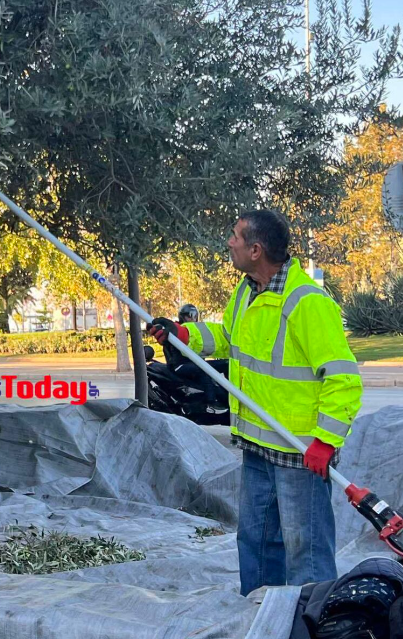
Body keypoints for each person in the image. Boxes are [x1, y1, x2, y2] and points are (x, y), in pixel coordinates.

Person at [147, 209, 362, 596]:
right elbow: (227, 338)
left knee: (306, 551)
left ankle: (309, 619)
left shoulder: (307, 303)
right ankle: (260, 609)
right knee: (255, 540)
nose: (229, 243)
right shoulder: (247, 291)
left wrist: (326, 441)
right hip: (257, 445)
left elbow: (343, 378)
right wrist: (182, 334)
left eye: (235, 237)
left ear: (256, 249)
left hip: (300, 452)